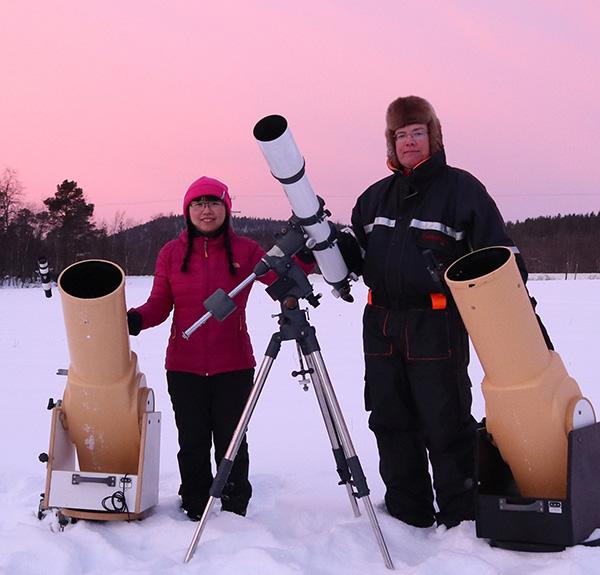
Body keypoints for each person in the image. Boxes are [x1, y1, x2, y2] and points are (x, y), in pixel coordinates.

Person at [339, 95, 545, 529]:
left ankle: (461, 517)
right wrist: (327, 246)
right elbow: (354, 256)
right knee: (390, 420)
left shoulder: (462, 190)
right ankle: (406, 514)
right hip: (381, 324)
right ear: (390, 144)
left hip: (437, 325)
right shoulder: (375, 197)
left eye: (417, 132)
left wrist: (516, 309)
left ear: (434, 136)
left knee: (446, 422)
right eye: (401, 135)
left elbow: (503, 258)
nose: (409, 141)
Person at [126, 176, 270, 521]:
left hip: (234, 363)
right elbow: (159, 305)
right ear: (187, 210)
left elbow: (283, 276)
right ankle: (194, 500)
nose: (206, 210)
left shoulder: (247, 250)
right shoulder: (171, 253)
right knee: (192, 439)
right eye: (198, 203)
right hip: (183, 365)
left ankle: (235, 503)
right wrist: (134, 319)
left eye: (213, 202)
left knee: (232, 438)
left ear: (227, 208)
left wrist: (310, 255)